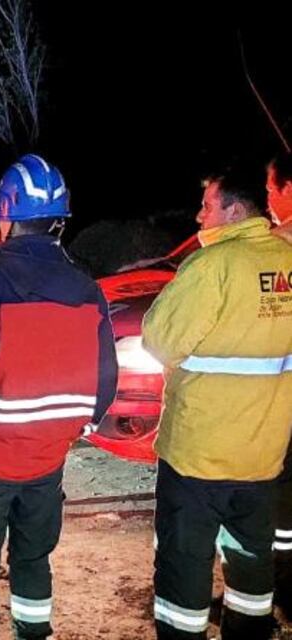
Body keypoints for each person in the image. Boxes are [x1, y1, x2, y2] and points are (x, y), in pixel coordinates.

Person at [0, 155, 118, 640]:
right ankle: (33, 634)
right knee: (34, 558)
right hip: (48, 459)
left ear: (7, 214)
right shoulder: (85, 285)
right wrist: (84, 425)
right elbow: (105, 375)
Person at [142, 168, 292, 640]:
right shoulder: (288, 261)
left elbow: (159, 340)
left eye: (206, 206)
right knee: (252, 565)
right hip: (264, 455)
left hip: (198, 456)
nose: (199, 214)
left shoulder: (212, 267)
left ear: (233, 210)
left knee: (184, 565)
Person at [266, 153, 292, 617]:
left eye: (271, 187)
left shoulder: (278, 246)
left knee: (282, 503)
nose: (267, 196)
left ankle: (281, 589)